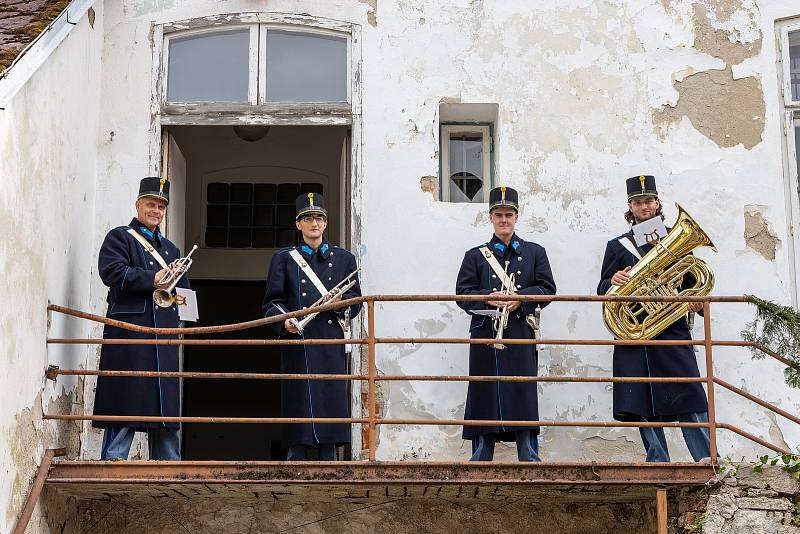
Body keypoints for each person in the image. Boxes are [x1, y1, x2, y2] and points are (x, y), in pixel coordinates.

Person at [597, 174, 711, 462]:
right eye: (638, 202)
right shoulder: (617, 246)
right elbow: (601, 289)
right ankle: (658, 458)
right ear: (630, 207)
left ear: (658, 203)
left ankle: (707, 458)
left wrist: (696, 303)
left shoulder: (676, 237)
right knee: (640, 399)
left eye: (648, 201)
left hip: (671, 331)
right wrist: (614, 280)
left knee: (689, 394)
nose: (644, 206)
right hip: (635, 335)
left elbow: (691, 281)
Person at [455, 186, 556, 461]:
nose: (504, 220)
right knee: (483, 393)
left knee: (522, 392)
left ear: (516, 216)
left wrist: (521, 300)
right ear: (491, 217)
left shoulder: (535, 252)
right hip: (486, 335)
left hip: (520, 334)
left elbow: (548, 289)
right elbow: (462, 295)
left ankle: (529, 455)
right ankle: (480, 456)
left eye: (508, 214)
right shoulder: (475, 256)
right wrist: (488, 299)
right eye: (498, 214)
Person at [93, 176, 191, 460]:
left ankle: (168, 468)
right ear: (138, 205)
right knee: (127, 399)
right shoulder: (120, 236)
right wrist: (153, 278)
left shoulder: (171, 250)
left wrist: (186, 300)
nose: (156, 210)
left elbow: (182, 291)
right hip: (131, 334)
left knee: (166, 408)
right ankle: (112, 463)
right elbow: (111, 272)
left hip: (164, 335)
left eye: (161, 206)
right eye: (151, 204)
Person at [262, 193, 362, 460]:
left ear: (326, 223)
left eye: (318, 218)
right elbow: (273, 302)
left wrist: (340, 304)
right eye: (307, 219)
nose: (314, 223)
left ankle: (330, 464)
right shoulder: (284, 259)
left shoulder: (344, 259)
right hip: (299, 342)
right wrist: (285, 321)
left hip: (330, 343)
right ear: (298, 224)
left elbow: (357, 301)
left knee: (330, 404)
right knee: (299, 407)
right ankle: (294, 464)